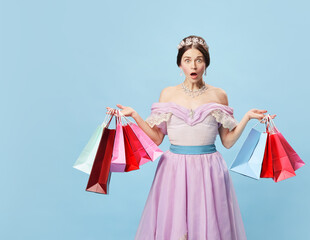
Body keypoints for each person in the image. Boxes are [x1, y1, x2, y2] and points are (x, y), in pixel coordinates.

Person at [107, 35, 275, 240]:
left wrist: (247, 117)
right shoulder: (168, 94)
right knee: (177, 233)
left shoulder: (219, 95)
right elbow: (158, 138)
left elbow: (228, 142)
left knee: (209, 231)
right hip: (174, 170)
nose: (193, 65)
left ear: (206, 63)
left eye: (199, 60)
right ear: (180, 64)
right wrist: (134, 115)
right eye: (187, 60)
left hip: (209, 169)